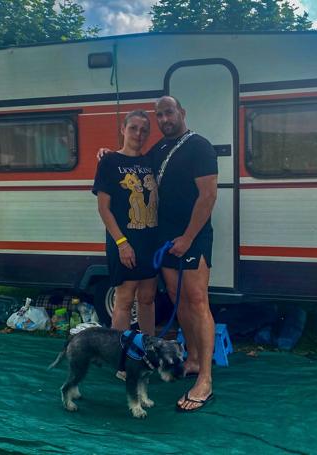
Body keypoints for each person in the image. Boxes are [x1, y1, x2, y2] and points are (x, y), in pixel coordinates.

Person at [99, 96, 218, 412]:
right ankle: (192, 359)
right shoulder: (159, 151)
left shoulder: (200, 146)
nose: (165, 119)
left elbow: (208, 197)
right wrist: (105, 153)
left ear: (182, 112)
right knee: (179, 301)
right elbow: (129, 164)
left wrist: (189, 237)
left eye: (169, 112)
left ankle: (204, 379)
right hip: (163, 242)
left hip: (190, 240)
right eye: (159, 115)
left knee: (197, 302)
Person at [92, 110, 158, 336]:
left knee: (148, 297)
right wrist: (122, 243)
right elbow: (103, 208)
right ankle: (120, 358)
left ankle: (148, 350)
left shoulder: (151, 161)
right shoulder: (109, 161)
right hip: (124, 242)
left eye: (144, 130)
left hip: (150, 241)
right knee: (125, 299)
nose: (138, 134)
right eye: (133, 128)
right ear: (123, 129)